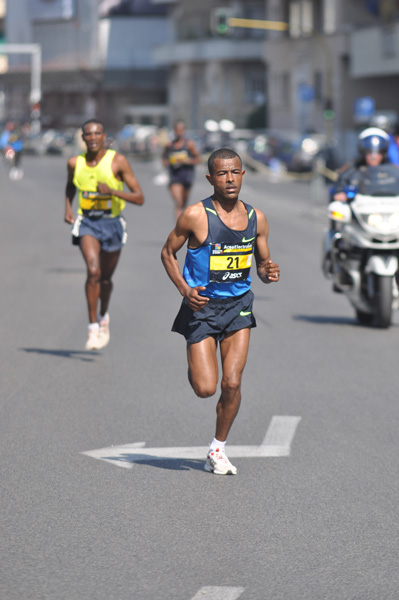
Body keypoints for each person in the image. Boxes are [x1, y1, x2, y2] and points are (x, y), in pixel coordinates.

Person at [161, 148, 280, 476]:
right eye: (222, 174)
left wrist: (268, 272)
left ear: (243, 175)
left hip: (238, 307)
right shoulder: (196, 215)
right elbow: (168, 253)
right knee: (206, 388)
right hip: (201, 308)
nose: (229, 179)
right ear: (210, 178)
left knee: (232, 381)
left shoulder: (257, 218)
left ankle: (218, 448)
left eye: (235, 172)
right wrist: (185, 291)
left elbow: (263, 265)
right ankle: (196, 366)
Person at [64, 118, 144, 350]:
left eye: (97, 133)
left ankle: (103, 316)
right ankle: (92, 328)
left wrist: (111, 192)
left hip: (113, 224)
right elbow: (70, 185)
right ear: (83, 138)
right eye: (88, 134)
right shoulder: (74, 163)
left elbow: (139, 197)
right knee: (93, 271)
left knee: (106, 279)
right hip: (88, 222)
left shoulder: (117, 161)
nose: (92, 138)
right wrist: (68, 206)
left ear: (104, 136)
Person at [323, 127, 399, 275]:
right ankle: (339, 264)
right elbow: (339, 186)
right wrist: (340, 193)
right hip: (361, 222)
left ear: (383, 152)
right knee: (340, 237)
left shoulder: (394, 171)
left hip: (388, 220)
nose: (373, 156)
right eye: (369, 152)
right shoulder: (352, 170)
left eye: (376, 152)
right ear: (363, 152)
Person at [162, 120, 201, 221]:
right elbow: (164, 157)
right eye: (177, 130)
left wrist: (187, 161)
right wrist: (167, 163)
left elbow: (198, 159)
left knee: (184, 203)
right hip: (175, 177)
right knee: (178, 203)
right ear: (174, 131)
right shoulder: (169, 145)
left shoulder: (189, 144)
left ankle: (184, 224)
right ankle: (178, 228)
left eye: (181, 130)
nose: (179, 132)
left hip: (187, 176)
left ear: (184, 131)